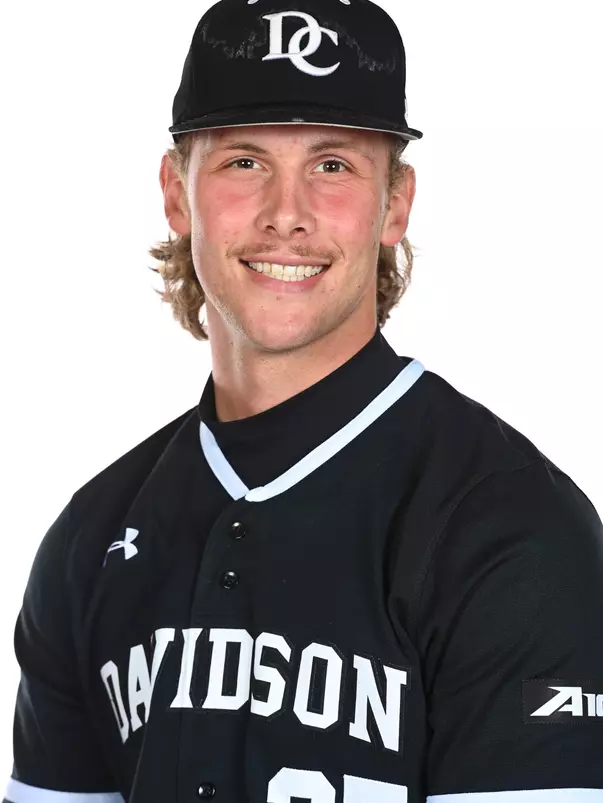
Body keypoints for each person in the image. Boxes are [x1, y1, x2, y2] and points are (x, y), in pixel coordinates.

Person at [4, 0, 603, 801]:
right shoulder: (92, 536)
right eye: (244, 162)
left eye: (332, 166)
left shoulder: (512, 530)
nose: (287, 215)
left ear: (394, 203)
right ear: (177, 194)